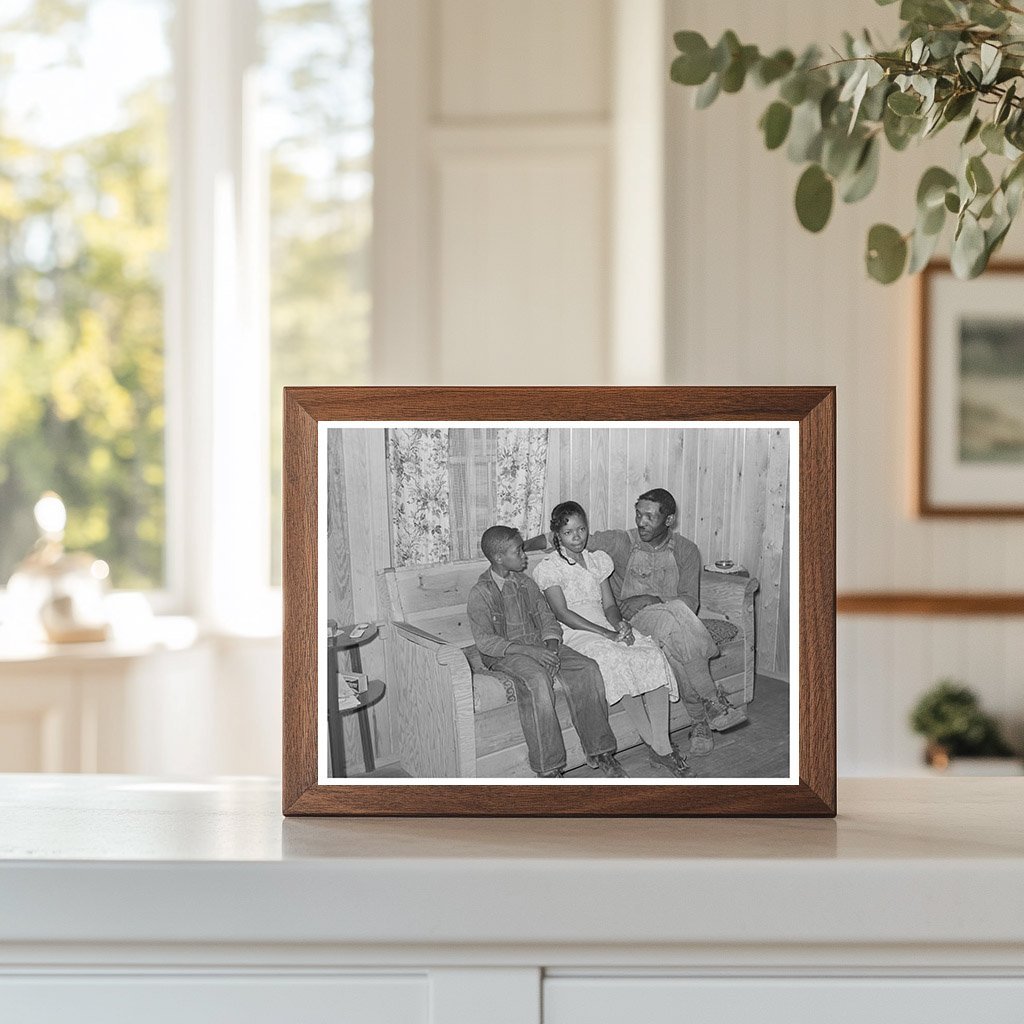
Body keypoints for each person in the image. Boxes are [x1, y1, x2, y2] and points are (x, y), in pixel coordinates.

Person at [526, 488, 746, 757]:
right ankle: (712, 703)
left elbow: (690, 602)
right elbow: (563, 536)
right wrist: (518, 546)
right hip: (632, 619)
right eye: (638, 515)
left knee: (674, 636)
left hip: (671, 618)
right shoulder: (621, 542)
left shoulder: (687, 550)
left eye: (650, 517)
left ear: (669, 520)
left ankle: (700, 719)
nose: (641, 522)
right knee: (675, 623)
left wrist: (651, 597)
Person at [532, 502, 693, 779]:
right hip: (575, 632)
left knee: (648, 653)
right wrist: (605, 633)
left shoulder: (597, 560)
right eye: (569, 532)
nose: (578, 536)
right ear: (557, 534)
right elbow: (562, 613)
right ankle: (661, 748)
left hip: (604, 623)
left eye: (582, 529)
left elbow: (609, 604)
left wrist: (619, 624)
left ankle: (660, 747)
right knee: (614, 658)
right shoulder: (550, 567)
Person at [467, 525, 628, 779]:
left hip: (541, 645)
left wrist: (552, 646)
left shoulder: (526, 583)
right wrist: (532, 653)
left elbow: (548, 620)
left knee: (587, 668)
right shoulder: (481, 592)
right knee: (538, 681)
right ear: (499, 558)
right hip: (507, 653)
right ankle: (549, 768)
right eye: (518, 551)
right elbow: (486, 642)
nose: (524, 555)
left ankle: (601, 751)